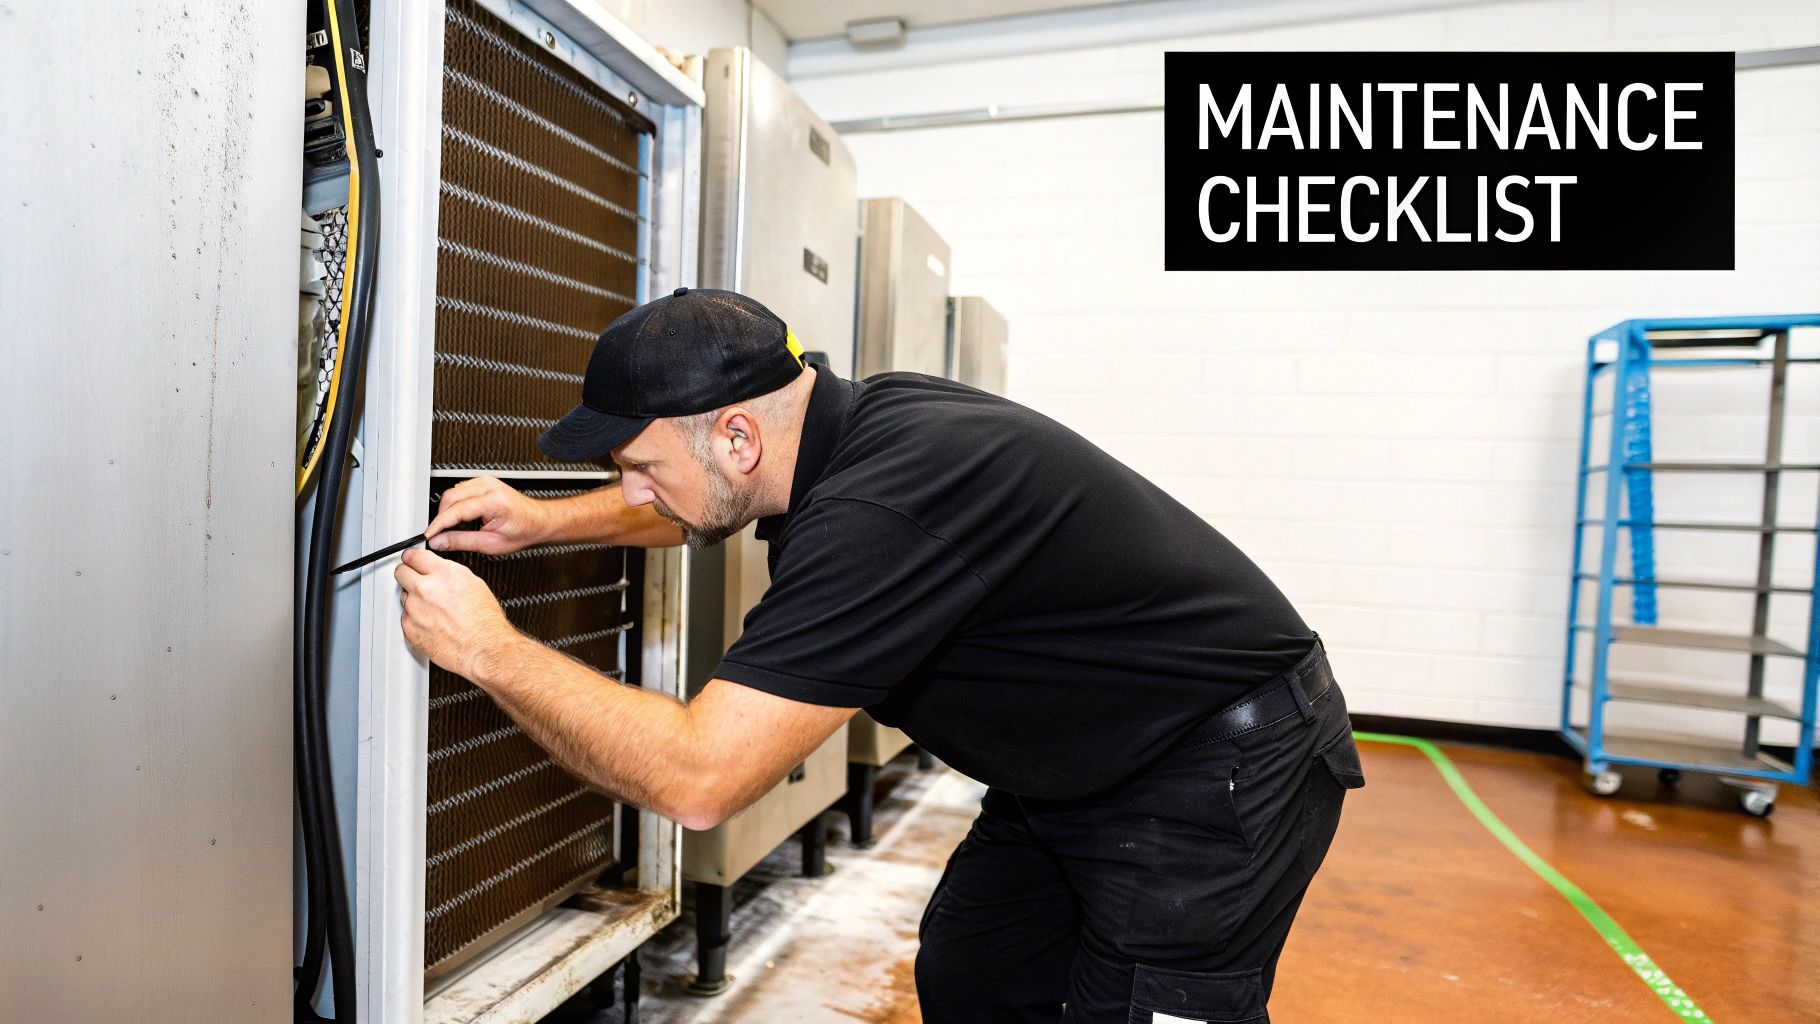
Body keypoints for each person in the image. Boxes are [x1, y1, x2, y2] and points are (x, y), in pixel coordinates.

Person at [396, 287, 1363, 1023]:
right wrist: (541, 523)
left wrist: (490, 651)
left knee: (1143, 1007)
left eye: (638, 466)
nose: (635, 493)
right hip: (1080, 763)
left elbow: (700, 779)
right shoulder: (842, 426)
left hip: (1217, 770)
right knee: (976, 973)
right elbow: (700, 497)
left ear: (737, 432)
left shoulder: (879, 513)